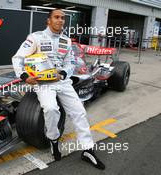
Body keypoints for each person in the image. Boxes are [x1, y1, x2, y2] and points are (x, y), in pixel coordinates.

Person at [12, 8, 105, 170]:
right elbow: (18, 58)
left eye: (62, 18)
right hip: (43, 84)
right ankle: (54, 141)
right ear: (49, 20)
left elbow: (71, 63)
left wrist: (62, 73)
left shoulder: (67, 41)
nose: (60, 20)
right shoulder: (35, 37)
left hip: (62, 82)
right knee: (50, 109)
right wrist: (25, 77)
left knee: (80, 112)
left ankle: (88, 149)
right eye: (56, 17)